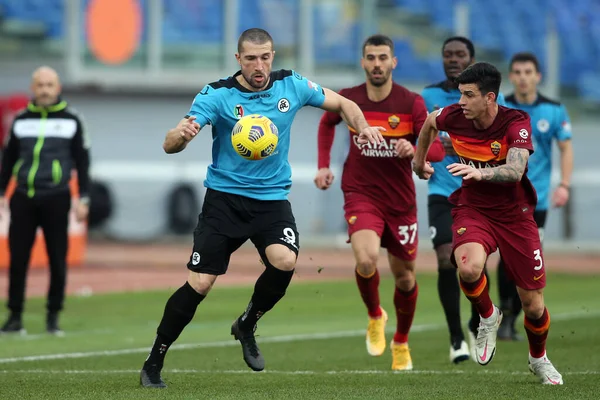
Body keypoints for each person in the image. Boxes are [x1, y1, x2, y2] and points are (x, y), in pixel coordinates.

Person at [139, 28, 386, 389]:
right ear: (238, 59)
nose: (260, 65)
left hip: (271, 201)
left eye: (266, 57)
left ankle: (247, 323)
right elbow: (169, 144)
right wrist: (181, 135)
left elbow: (344, 104)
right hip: (224, 201)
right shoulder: (218, 94)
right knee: (202, 282)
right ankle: (154, 361)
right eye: (251, 58)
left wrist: (361, 127)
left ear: (273, 56)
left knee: (285, 260)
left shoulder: (291, 85)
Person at [413, 62, 563, 385]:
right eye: (460, 94)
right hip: (473, 207)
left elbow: (515, 171)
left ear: (490, 98)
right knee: (467, 268)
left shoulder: (517, 123)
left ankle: (539, 359)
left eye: (469, 95)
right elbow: (429, 123)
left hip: (515, 214)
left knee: (533, 306)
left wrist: (481, 172)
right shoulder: (454, 116)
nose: (461, 101)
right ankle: (488, 315)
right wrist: (418, 160)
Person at [314, 34, 445, 371]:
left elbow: (438, 151)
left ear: (393, 63)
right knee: (367, 259)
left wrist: (413, 148)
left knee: (405, 278)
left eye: (382, 57)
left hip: (400, 202)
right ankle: (375, 316)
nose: (376, 64)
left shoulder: (411, 103)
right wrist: (323, 165)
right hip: (360, 193)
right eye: (370, 57)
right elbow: (327, 123)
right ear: (363, 62)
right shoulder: (349, 98)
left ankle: (401, 341)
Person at [421, 37, 510, 363]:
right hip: (442, 191)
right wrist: (425, 154)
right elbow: (422, 134)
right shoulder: (429, 97)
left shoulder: (487, 102)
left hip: (478, 196)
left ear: (471, 60)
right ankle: (456, 336)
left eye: (460, 55)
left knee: (473, 263)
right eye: (448, 55)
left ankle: (478, 320)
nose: (453, 60)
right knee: (446, 257)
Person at [0, 66, 91, 336]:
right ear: (32, 86)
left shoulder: (72, 119)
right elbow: (8, 159)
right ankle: (15, 317)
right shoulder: (20, 120)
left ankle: (53, 317)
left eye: (49, 84)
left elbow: (83, 161)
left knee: (56, 259)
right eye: (40, 84)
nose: (44, 90)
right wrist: (2, 192)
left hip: (57, 196)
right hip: (23, 197)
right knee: (18, 259)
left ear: (58, 87)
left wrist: (83, 197)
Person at [493, 52, 573, 341]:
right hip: (504, 194)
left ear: (538, 76)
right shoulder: (501, 106)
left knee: (526, 255)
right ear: (511, 77)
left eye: (528, 72)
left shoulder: (554, 110)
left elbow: (565, 148)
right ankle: (506, 315)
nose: (523, 77)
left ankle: (519, 312)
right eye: (517, 72)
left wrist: (563, 184)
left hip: (535, 198)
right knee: (505, 255)